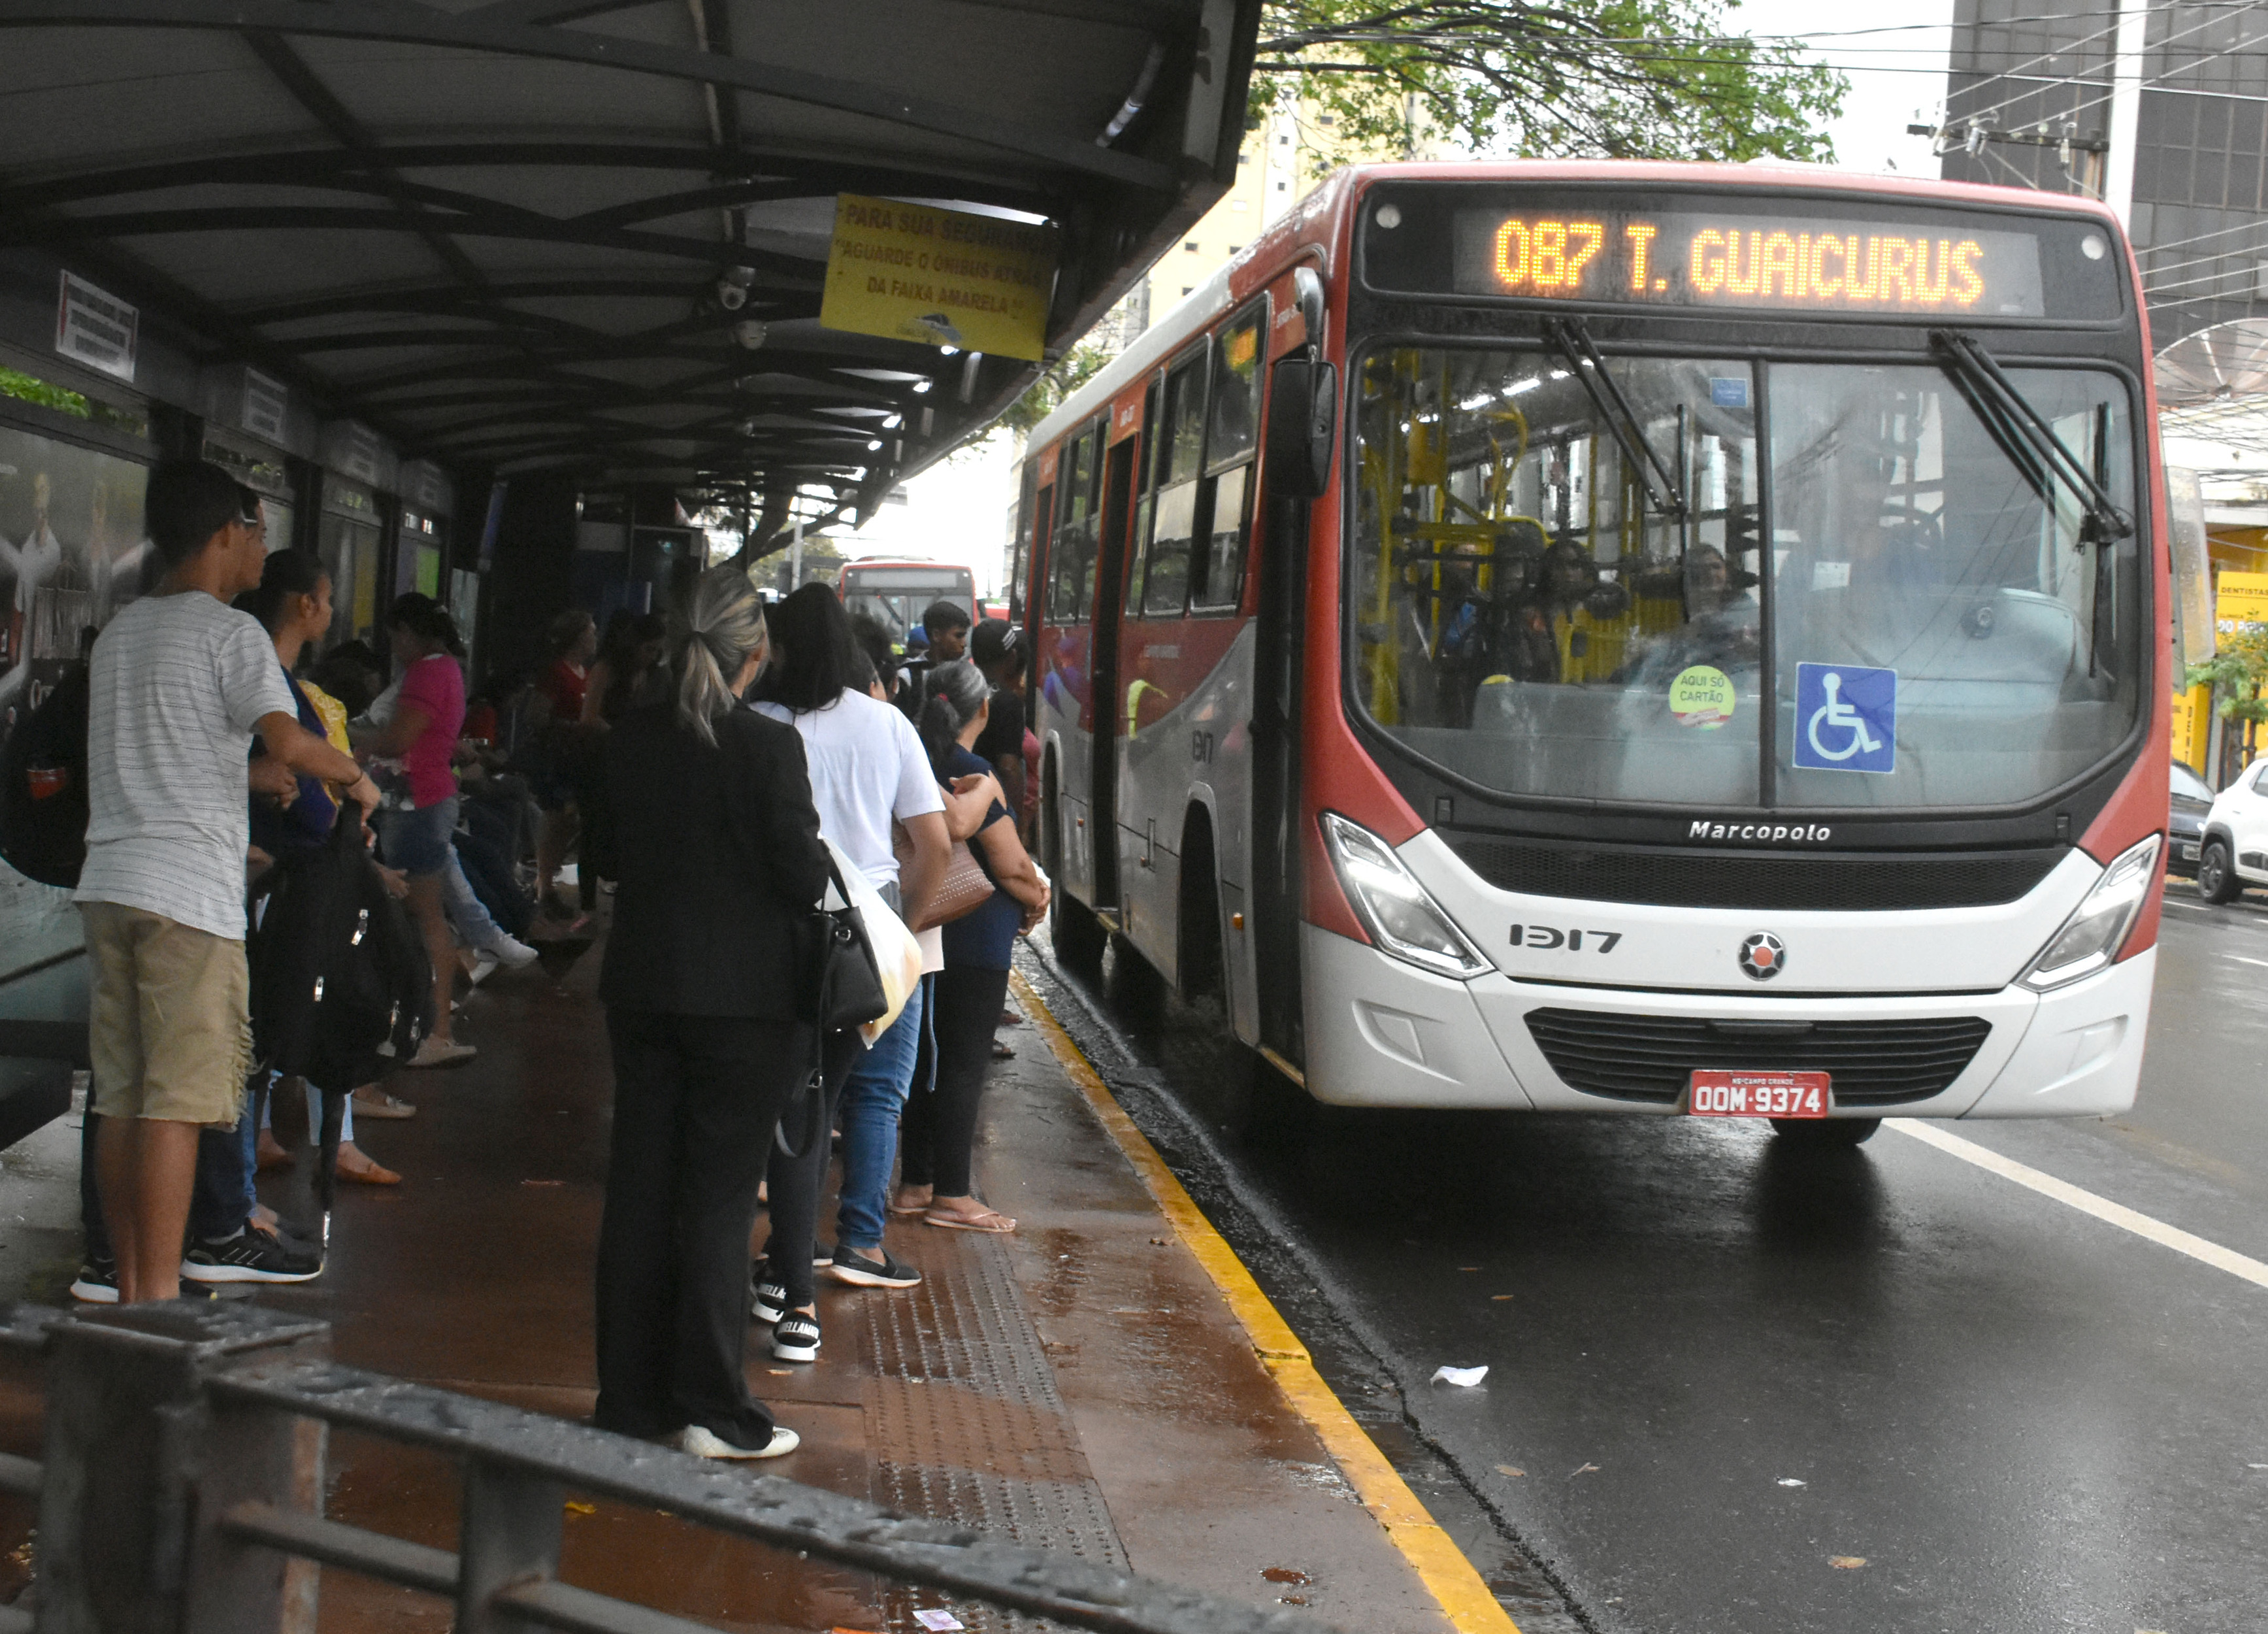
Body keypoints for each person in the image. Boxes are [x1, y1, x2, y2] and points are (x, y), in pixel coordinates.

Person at [72, 461, 378, 1304]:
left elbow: (164, 757)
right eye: (253, 527)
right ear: (220, 536)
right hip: (186, 899)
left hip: (112, 884)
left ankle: (131, 1287)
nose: (260, 544)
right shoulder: (229, 634)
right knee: (175, 1104)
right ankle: (161, 1297)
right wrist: (354, 777)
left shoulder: (124, 630)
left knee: (125, 1098)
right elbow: (288, 740)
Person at [594, 566, 827, 1459]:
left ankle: (628, 1397)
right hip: (747, 1003)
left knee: (641, 1187)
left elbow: (607, 856)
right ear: (754, 653)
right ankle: (713, 1409)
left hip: (643, 990)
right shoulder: (767, 749)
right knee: (718, 1200)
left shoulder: (629, 740)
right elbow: (802, 879)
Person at [750, 584, 947, 1359]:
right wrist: (905, 925)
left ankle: (793, 1291)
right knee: (825, 1099)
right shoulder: (890, 725)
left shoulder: (760, 724)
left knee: (795, 1113)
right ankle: (783, 1273)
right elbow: (930, 842)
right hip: (863, 938)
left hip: (778, 932)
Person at [237, 549, 407, 1186]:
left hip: (291, 862)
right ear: (305, 603)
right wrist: (347, 807)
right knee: (308, 1003)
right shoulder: (269, 679)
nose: (331, 612)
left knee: (280, 1009)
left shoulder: (280, 677)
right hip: (285, 867)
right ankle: (314, 1142)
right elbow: (294, 764)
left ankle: (272, 1138)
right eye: (327, 598)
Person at [893, 662, 1049, 1233]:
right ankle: (953, 1195)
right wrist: (1037, 896)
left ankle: (915, 1184)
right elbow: (1009, 865)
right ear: (981, 709)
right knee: (963, 1064)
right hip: (977, 937)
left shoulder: (916, 763)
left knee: (923, 1063)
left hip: (922, 929)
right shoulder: (976, 775)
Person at [357, 596, 527, 1067]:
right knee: (426, 915)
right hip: (423, 801)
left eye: (395, 637)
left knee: (424, 916)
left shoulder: (428, 672)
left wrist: (352, 744)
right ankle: (434, 1022)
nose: (394, 648)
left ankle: (436, 1028)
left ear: (411, 631)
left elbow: (398, 740)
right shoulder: (446, 669)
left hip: (415, 804)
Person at [533, 610, 596, 918]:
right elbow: (538, 716)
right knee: (555, 820)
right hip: (558, 757)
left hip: (579, 758)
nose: (595, 638)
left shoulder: (585, 671)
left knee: (568, 822)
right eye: (591, 632)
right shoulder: (557, 673)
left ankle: (551, 881)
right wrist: (573, 727)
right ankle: (544, 885)